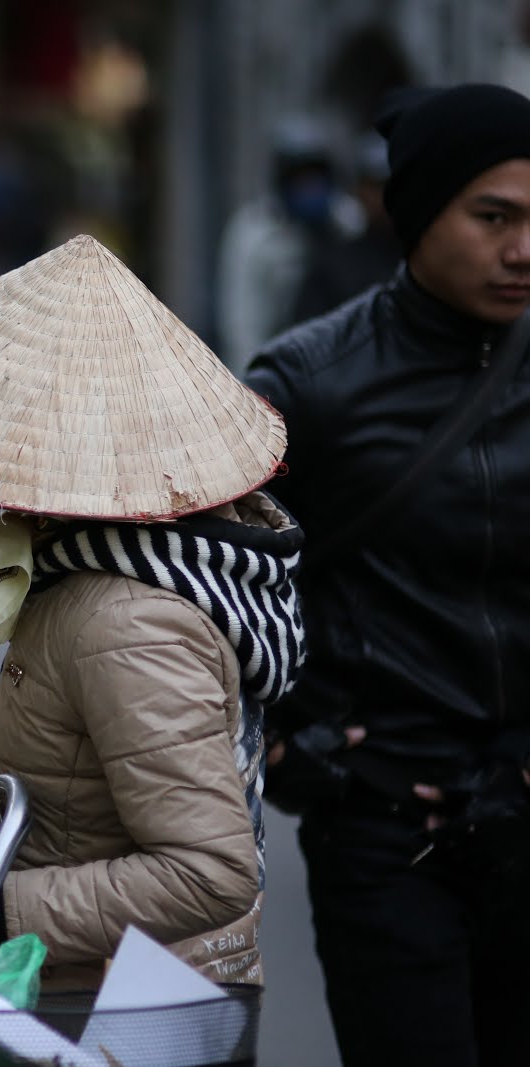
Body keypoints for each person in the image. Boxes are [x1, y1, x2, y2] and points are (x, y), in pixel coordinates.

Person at [0, 234, 305, 985]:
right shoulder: (97, 567)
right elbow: (84, 755)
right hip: (99, 984)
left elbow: (209, 869)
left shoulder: (127, 618)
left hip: (126, 1005)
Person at [245, 83, 530, 1067]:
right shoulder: (306, 382)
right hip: (385, 828)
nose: (523, 248)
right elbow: (198, 583)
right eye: (493, 216)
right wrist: (283, 743)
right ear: (416, 216)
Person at [217, 115, 362, 373]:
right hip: (281, 366)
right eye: (301, 180)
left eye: (316, 178)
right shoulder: (254, 234)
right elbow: (243, 324)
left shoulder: (349, 222)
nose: (311, 189)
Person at [289, 131, 403, 323]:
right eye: (375, 186)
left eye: (392, 185)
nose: (385, 196)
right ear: (358, 190)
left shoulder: (424, 261)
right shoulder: (332, 266)